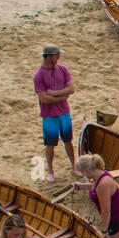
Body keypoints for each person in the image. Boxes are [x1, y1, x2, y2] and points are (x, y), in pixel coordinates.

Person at [76, 153, 119, 238]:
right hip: (114, 218)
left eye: (82, 173)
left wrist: (104, 231)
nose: (83, 175)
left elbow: (106, 211)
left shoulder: (103, 184)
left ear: (86, 171)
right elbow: (94, 187)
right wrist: (82, 186)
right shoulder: (100, 175)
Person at [34, 45, 76, 182]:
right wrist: (63, 96)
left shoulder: (62, 69)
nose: (58, 57)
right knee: (50, 144)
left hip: (64, 112)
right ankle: (50, 171)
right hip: (49, 115)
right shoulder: (39, 75)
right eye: (57, 55)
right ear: (49, 56)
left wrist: (56, 94)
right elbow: (44, 98)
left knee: (68, 141)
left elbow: (71, 88)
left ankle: (74, 166)